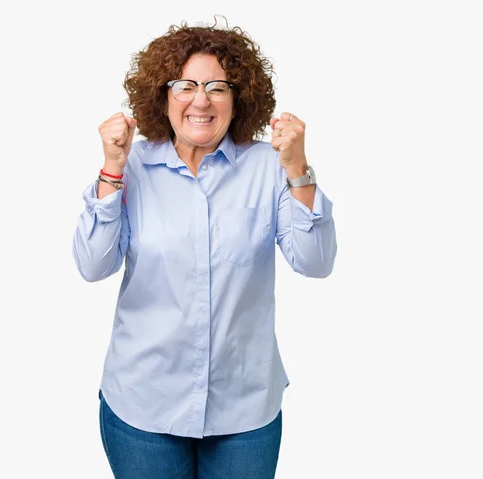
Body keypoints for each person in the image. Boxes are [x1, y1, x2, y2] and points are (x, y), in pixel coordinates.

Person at [72, 18, 337, 479]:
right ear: (163, 95)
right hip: (144, 407)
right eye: (186, 85)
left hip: (244, 411)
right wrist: (111, 169)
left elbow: (314, 263)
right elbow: (94, 265)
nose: (201, 99)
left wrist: (298, 168)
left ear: (239, 98)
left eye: (217, 86)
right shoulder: (131, 164)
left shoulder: (269, 167)